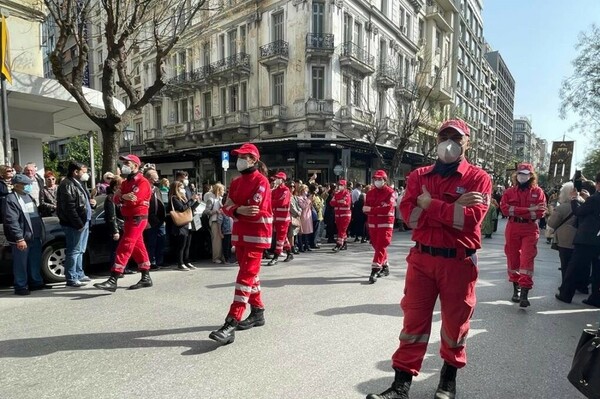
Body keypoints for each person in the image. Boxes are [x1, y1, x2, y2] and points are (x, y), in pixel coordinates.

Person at [366, 119, 491, 399]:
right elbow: (409, 217)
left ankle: (447, 381)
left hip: (458, 262)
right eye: (444, 136)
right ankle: (400, 386)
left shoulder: (478, 178)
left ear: (467, 143)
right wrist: (450, 210)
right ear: (436, 140)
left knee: (454, 324)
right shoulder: (419, 175)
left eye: (456, 138)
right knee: (413, 323)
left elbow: (470, 221)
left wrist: (429, 204)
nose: (449, 142)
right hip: (422, 259)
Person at [210, 143, 272, 345]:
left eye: (244, 156)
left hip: (257, 236)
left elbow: (253, 209)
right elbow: (225, 208)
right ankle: (258, 311)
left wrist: (235, 209)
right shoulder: (236, 182)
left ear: (253, 159)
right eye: (238, 156)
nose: (240, 160)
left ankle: (231, 321)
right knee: (250, 276)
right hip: (241, 235)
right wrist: (237, 210)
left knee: (244, 277)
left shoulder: (261, 181)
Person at [94, 154, 153, 292]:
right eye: (124, 163)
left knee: (125, 245)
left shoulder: (142, 182)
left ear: (136, 165)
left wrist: (122, 197)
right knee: (138, 247)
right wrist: (122, 197)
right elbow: (114, 198)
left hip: (137, 218)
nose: (124, 165)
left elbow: (133, 200)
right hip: (129, 218)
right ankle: (146, 277)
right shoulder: (126, 182)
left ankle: (113, 278)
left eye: (127, 163)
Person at [500, 163, 546, 307]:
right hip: (513, 227)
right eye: (520, 174)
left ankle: (524, 293)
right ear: (516, 175)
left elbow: (540, 212)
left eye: (526, 174)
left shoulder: (538, 192)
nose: (522, 176)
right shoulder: (509, 192)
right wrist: (528, 209)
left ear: (531, 175)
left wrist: (518, 210)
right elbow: (505, 210)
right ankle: (516, 290)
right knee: (513, 258)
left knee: (527, 259)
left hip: (530, 228)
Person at [2, 174, 52, 295]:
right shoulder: (11, 199)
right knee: (20, 263)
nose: (29, 186)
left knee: (34, 261)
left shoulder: (27, 196)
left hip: (35, 235)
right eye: (26, 184)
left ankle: (36, 282)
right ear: (17, 185)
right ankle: (20, 286)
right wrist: (19, 238)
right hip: (22, 237)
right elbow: (11, 221)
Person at [556, 174, 600, 307]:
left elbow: (579, 212)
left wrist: (575, 199)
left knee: (574, 267)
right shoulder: (593, 199)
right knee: (597, 270)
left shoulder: (595, 198)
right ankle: (595, 298)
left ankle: (566, 294)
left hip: (586, 239)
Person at [57, 161, 96, 288]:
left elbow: (81, 202)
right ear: (75, 171)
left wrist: (91, 203)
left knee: (80, 250)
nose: (85, 174)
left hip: (83, 222)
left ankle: (79, 273)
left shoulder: (79, 184)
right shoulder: (67, 185)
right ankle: (71, 277)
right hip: (74, 224)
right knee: (74, 250)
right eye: (83, 172)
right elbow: (70, 208)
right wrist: (78, 224)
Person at [363, 170, 397, 284]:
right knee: (376, 245)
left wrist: (372, 210)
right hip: (373, 223)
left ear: (385, 180)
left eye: (379, 179)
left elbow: (387, 208)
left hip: (385, 223)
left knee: (381, 244)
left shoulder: (390, 192)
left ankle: (375, 269)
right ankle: (385, 265)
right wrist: (375, 210)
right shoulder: (370, 193)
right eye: (375, 179)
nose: (377, 181)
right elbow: (365, 208)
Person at [548, 182, 579, 287]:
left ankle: (565, 287)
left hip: (565, 240)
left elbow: (551, 223)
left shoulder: (562, 208)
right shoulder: (581, 205)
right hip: (578, 238)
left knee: (565, 264)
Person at [168, 180, 201, 270]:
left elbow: (189, 209)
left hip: (188, 223)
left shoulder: (183, 198)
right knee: (181, 245)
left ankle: (187, 261)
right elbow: (182, 208)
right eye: (181, 187)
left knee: (187, 244)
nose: (183, 189)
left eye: (183, 187)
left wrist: (197, 202)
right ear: (176, 188)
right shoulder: (174, 198)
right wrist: (191, 200)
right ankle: (180, 263)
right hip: (180, 224)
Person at [143, 168, 166, 270]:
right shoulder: (144, 188)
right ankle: (151, 262)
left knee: (161, 240)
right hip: (150, 219)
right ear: (149, 178)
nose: (157, 177)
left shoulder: (156, 189)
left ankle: (159, 261)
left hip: (160, 219)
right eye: (155, 176)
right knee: (151, 242)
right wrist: (146, 220)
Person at [268, 171, 292, 265]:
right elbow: (270, 201)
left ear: (282, 180)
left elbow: (282, 203)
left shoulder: (286, 190)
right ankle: (289, 253)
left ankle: (276, 256)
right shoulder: (275, 190)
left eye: (278, 178)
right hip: (276, 217)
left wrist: (273, 201)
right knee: (282, 237)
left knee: (280, 238)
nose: (276, 180)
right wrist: (274, 201)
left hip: (283, 219)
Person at [205, 183, 226, 264]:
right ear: (218, 190)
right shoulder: (211, 199)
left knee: (220, 240)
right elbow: (206, 211)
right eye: (222, 190)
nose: (223, 192)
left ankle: (221, 256)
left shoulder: (220, 199)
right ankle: (216, 257)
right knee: (216, 241)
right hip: (214, 221)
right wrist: (215, 211)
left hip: (221, 220)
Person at [330, 179, 351, 252]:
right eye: (339, 185)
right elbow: (331, 203)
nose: (340, 186)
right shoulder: (337, 194)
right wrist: (339, 201)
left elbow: (345, 203)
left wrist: (337, 202)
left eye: (341, 185)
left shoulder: (347, 193)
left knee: (342, 229)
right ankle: (344, 243)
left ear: (345, 186)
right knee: (340, 229)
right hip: (338, 215)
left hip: (345, 215)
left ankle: (339, 244)